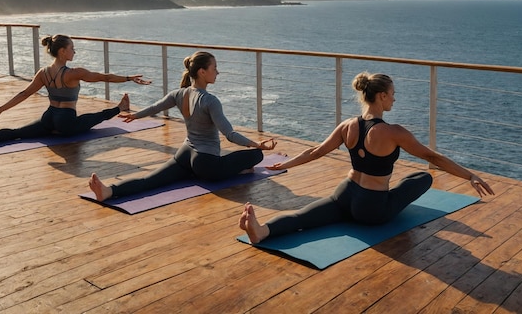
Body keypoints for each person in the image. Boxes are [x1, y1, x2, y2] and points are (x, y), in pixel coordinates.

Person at [239, 71, 495, 244]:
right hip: (372, 208)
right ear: (381, 96)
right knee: (423, 177)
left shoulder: (348, 125)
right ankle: (262, 230)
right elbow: (433, 157)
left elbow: (315, 151)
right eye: (393, 93)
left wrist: (285, 163)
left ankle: (261, 231)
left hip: (345, 194)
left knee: (302, 217)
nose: (394, 98)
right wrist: (470, 175)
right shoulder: (394, 132)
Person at [88, 51, 278, 201]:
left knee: (151, 180)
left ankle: (109, 191)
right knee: (256, 156)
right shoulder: (210, 101)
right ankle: (240, 169)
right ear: (202, 72)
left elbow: (156, 107)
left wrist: (135, 115)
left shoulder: (179, 94)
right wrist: (257, 144)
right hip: (206, 164)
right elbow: (229, 134)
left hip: (185, 154)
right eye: (215, 68)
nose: (217, 72)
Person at [0, 34, 152, 145]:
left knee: (19, 132)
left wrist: (1, 109)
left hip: (49, 117)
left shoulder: (44, 72)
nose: (75, 51)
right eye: (72, 48)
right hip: (66, 122)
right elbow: (104, 77)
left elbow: (24, 94)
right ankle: (120, 108)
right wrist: (129, 78)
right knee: (93, 118)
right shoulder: (73, 73)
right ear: (63, 51)